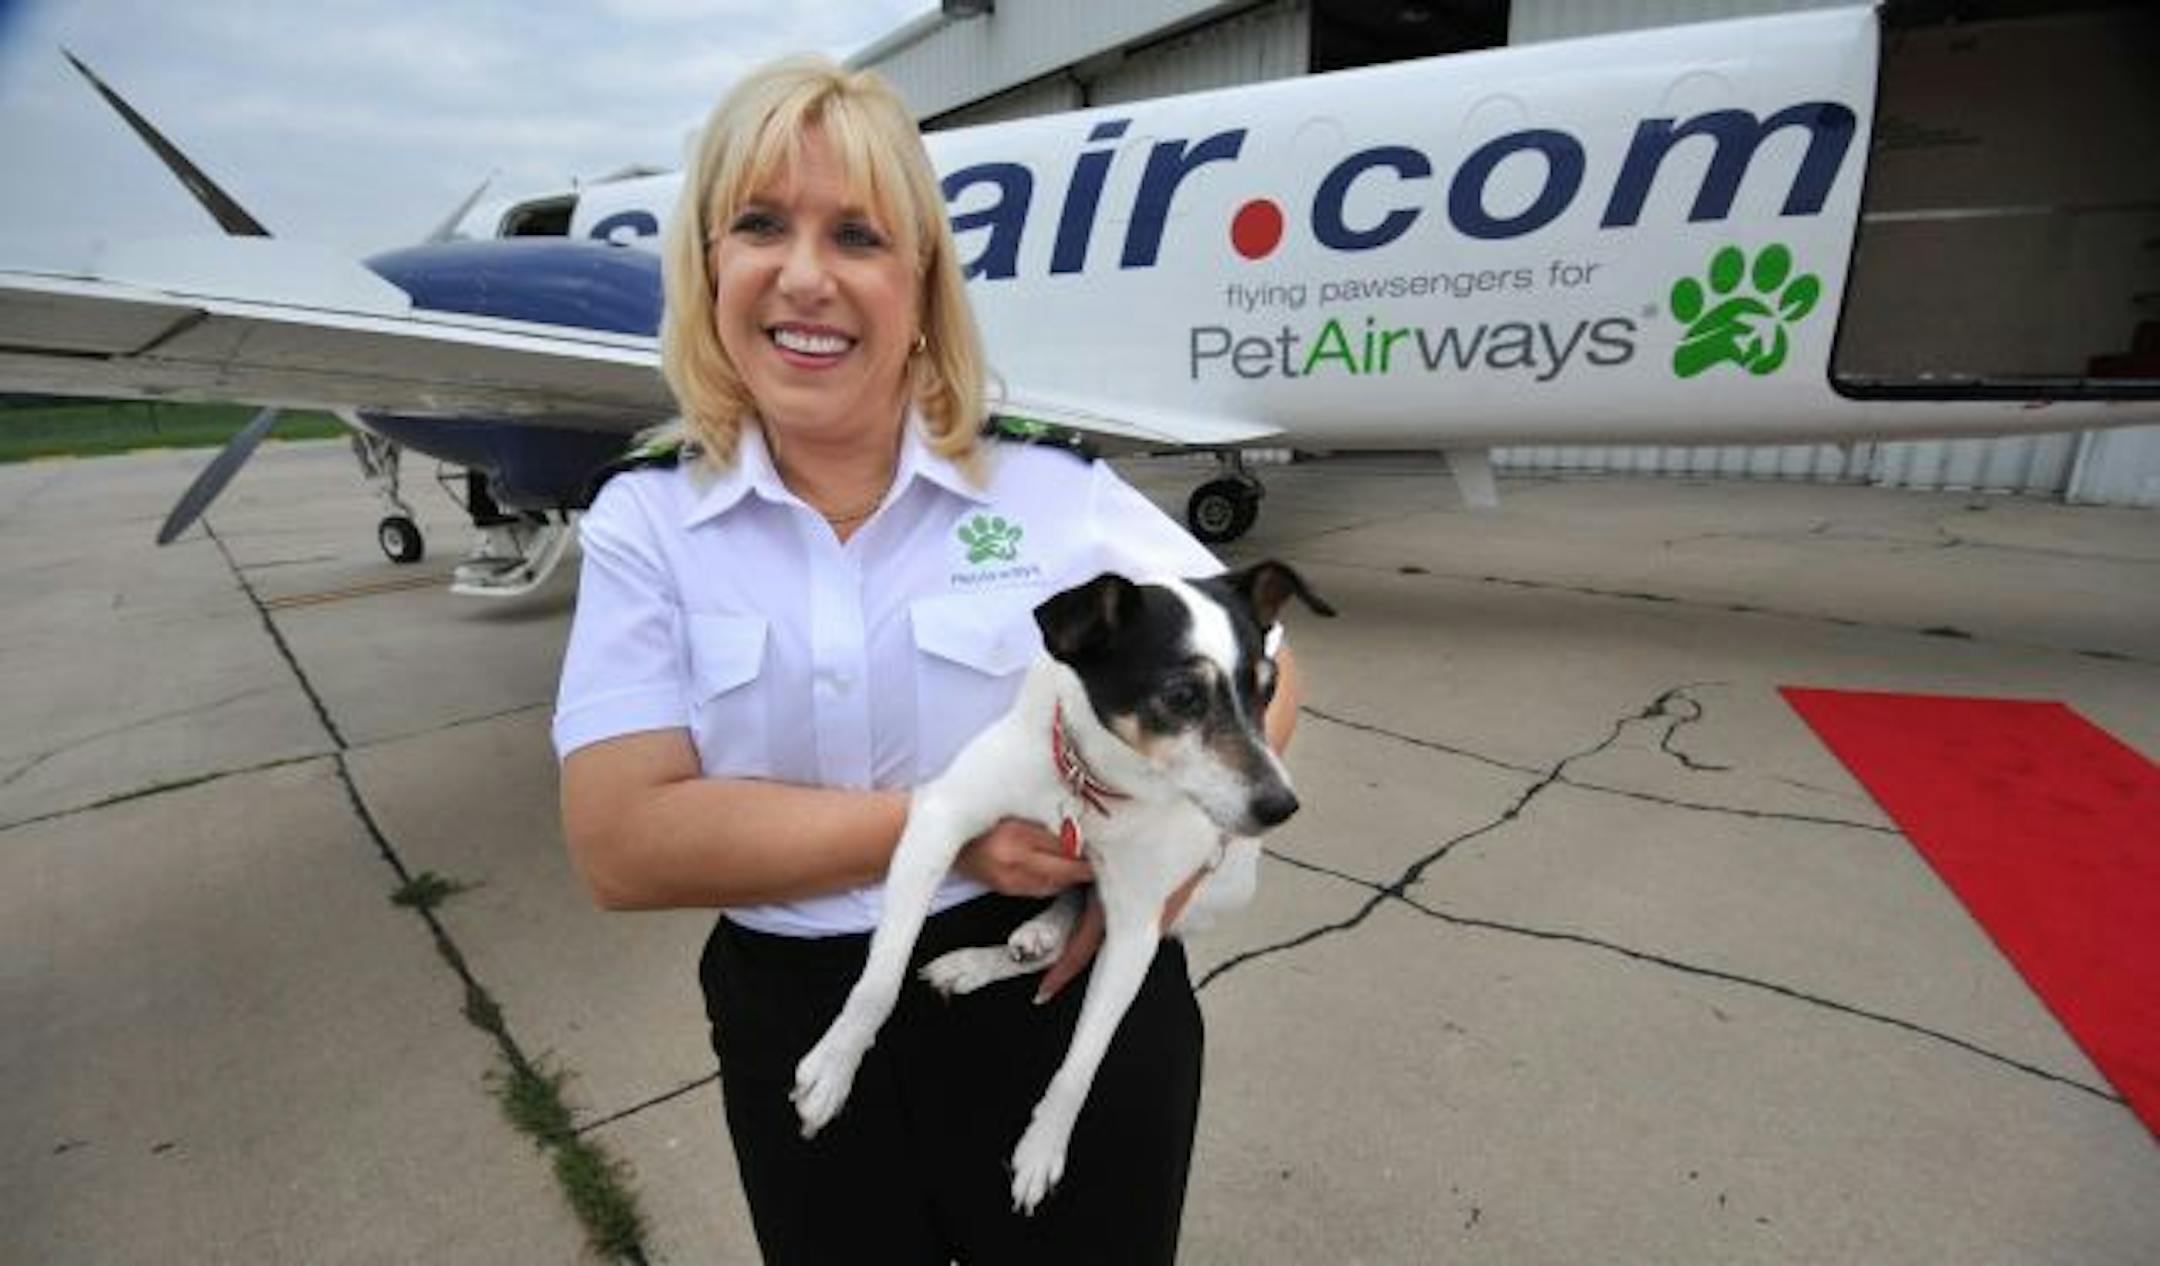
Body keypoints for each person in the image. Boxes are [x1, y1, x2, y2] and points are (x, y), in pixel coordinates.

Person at [553, 54, 1302, 1265]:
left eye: (857, 234)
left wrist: (1173, 861)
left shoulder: (1048, 490)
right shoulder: (649, 520)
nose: (805, 275)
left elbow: (1267, 661)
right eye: (758, 225)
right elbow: (620, 840)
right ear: (707, 267)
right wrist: (950, 823)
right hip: (795, 1006)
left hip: (1051, 996)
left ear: (920, 282)